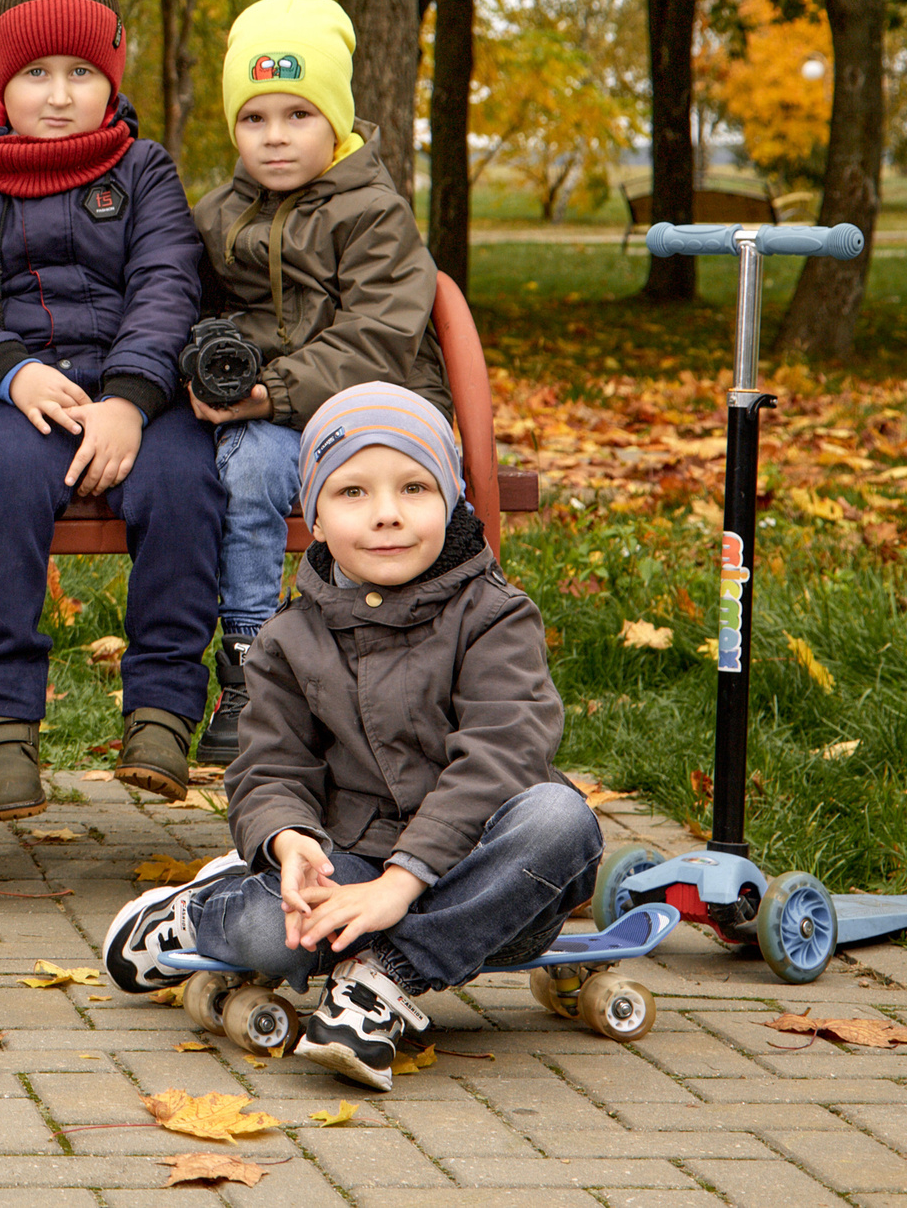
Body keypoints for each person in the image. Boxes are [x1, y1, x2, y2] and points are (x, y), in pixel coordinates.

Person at [102, 383, 599, 1092]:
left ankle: (378, 980)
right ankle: (197, 912)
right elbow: (268, 768)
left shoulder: (495, 616)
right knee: (272, 934)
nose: (388, 514)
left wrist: (405, 883)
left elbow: (502, 754)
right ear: (315, 513)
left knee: (561, 818)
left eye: (415, 487)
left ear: (452, 498)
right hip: (356, 868)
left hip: (486, 885)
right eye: (354, 492)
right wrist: (287, 840)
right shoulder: (289, 637)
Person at [0, 0, 227, 814]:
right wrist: (10, 373)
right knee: (4, 477)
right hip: (11, 393)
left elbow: (168, 284)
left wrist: (133, 400)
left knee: (184, 479)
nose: (58, 95)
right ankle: (2, 725)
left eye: (79, 72)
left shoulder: (142, 169)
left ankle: (162, 712)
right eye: (34, 74)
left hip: (134, 391)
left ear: (111, 76)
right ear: (0, 81)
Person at [186, 0, 456, 766]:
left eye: (298, 115)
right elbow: (185, 308)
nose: (274, 137)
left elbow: (378, 335)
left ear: (335, 119)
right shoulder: (216, 216)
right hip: (265, 420)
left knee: (367, 489)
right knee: (255, 464)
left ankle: (385, 669)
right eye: (254, 118)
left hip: (378, 409)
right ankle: (247, 661)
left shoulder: (374, 213)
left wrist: (272, 391)